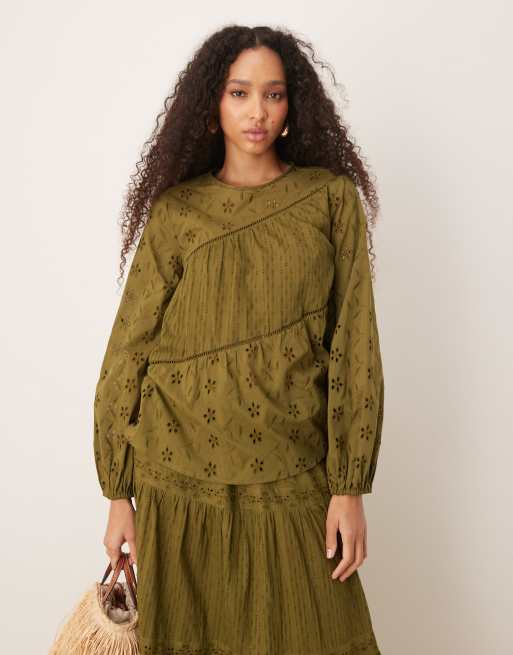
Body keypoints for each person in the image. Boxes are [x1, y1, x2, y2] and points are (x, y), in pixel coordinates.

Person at [93, 24, 385, 655]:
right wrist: (118, 494)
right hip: (176, 480)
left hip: (294, 470)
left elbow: (354, 345)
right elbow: (128, 351)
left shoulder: (330, 201)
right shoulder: (177, 212)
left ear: (293, 105)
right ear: (213, 104)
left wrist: (348, 485)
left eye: (274, 94)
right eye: (239, 93)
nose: (258, 111)